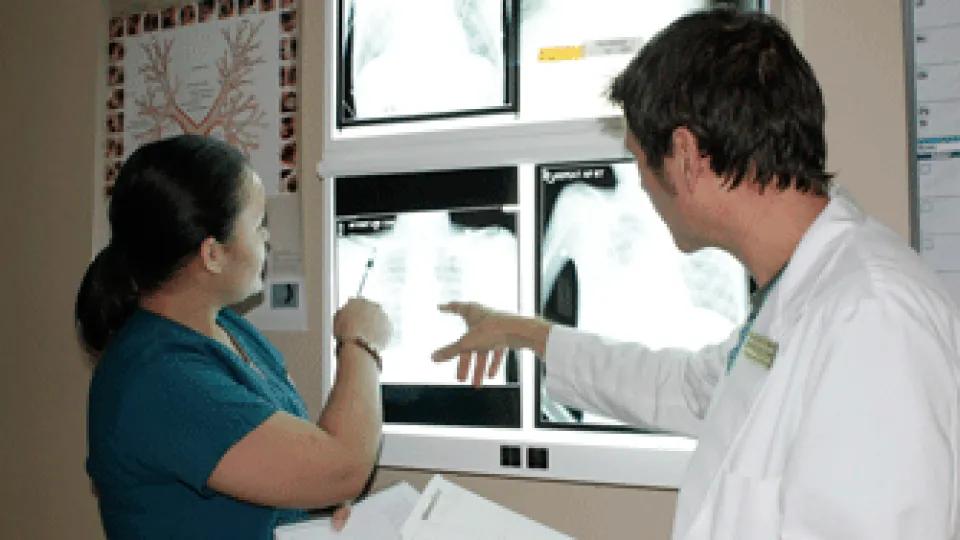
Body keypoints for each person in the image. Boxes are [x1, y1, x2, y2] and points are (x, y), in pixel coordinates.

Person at [433, 8, 960, 540]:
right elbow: (686, 389)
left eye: (639, 160)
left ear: (685, 156)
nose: (640, 184)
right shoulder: (799, 296)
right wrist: (525, 332)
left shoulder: (875, 318)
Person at [77, 134, 390, 539]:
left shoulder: (227, 327)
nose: (267, 238)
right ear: (212, 254)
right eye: (259, 224)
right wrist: (361, 342)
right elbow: (344, 467)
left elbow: (287, 458)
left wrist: (311, 504)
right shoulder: (159, 380)